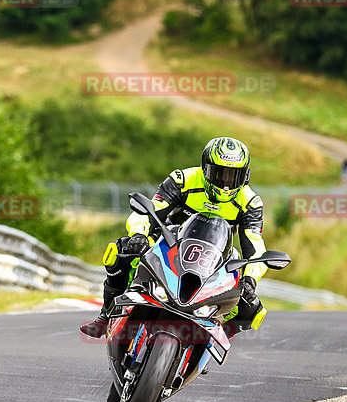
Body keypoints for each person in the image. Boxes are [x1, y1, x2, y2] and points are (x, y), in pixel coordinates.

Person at [79, 136, 269, 339]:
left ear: (245, 176)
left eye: (234, 176)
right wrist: (138, 235)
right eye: (219, 174)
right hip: (169, 241)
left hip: (215, 260)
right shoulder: (183, 179)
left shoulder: (250, 202)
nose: (225, 183)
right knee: (120, 252)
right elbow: (149, 211)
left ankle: (211, 341)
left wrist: (250, 277)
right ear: (205, 168)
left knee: (253, 308)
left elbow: (255, 246)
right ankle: (106, 316)